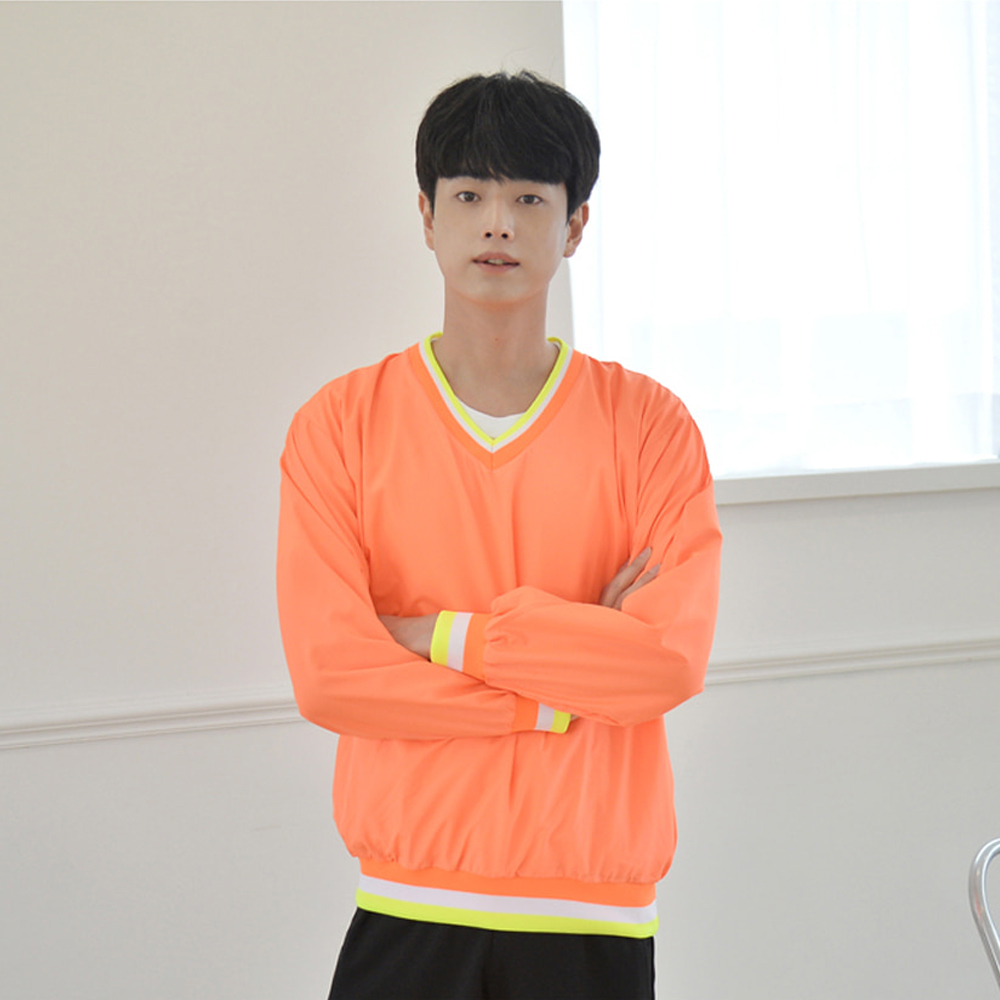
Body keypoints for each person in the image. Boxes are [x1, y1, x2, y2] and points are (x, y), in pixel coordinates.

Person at [277, 70, 722, 1000]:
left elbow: (665, 665)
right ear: (427, 216)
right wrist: (560, 690)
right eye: (470, 195)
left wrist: (435, 636)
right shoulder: (340, 425)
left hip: (593, 915)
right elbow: (332, 676)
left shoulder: (651, 426)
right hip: (407, 903)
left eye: (528, 199)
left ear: (575, 226)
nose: (497, 224)